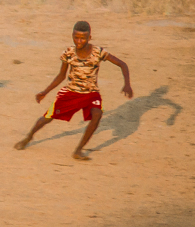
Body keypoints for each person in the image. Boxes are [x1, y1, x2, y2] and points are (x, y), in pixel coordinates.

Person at [14, 21, 133, 160]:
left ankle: (78, 150)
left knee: (97, 114)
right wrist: (45, 92)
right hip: (71, 92)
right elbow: (61, 75)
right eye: (76, 37)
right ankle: (28, 137)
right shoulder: (69, 53)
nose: (79, 41)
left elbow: (122, 64)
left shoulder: (98, 52)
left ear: (90, 37)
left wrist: (127, 84)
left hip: (91, 93)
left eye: (83, 38)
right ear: (72, 35)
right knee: (47, 118)